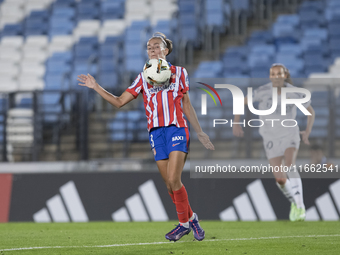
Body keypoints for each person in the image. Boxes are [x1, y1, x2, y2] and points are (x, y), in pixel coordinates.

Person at [77, 32, 214, 241]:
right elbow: (119, 101)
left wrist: (199, 131)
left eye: (157, 46)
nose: (152, 50)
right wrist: (96, 87)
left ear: (166, 50)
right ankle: (192, 218)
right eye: (149, 47)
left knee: (173, 178)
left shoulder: (179, 73)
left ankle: (183, 224)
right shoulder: (142, 77)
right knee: (169, 185)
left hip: (177, 128)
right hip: (156, 133)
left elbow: (186, 104)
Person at [233, 63, 315, 221]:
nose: (276, 77)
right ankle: (294, 203)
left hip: (290, 134)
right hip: (270, 137)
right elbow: (240, 102)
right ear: (270, 76)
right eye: (273, 74)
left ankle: (300, 206)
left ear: (285, 75)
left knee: (290, 165)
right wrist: (236, 122)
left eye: (279, 74)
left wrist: (307, 132)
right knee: (281, 179)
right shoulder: (263, 91)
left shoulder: (294, 93)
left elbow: (310, 112)